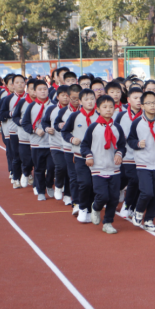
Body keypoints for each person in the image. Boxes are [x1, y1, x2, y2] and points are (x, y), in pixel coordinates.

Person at [126, 91, 155, 231]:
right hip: (143, 163)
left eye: (154, 103)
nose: (152, 106)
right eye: (148, 103)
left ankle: (149, 219)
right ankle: (139, 212)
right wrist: (137, 144)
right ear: (142, 105)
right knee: (147, 192)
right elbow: (130, 139)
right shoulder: (137, 123)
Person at [81, 95, 126, 234]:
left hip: (114, 169)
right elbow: (84, 145)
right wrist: (88, 156)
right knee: (102, 196)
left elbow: (122, 146)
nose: (108, 110)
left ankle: (108, 222)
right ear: (98, 109)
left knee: (113, 198)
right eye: (104, 107)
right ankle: (95, 207)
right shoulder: (93, 127)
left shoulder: (117, 127)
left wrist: (119, 154)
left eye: (111, 107)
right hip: (98, 168)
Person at [62, 89, 98, 223]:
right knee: (84, 183)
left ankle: (92, 208)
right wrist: (72, 139)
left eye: (92, 98)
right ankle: (82, 208)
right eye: (86, 99)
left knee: (95, 185)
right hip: (80, 156)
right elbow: (65, 132)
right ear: (80, 101)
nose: (90, 101)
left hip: (97, 157)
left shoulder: (100, 116)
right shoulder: (74, 116)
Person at [21, 81, 54, 201]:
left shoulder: (54, 106)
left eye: (45, 89)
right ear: (34, 92)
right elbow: (25, 123)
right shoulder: (31, 106)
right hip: (37, 143)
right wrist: (35, 130)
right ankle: (40, 191)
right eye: (40, 89)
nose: (43, 91)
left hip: (52, 143)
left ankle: (49, 184)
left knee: (52, 167)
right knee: (39, 168)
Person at [114, 86, 143, 219]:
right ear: (128, 100)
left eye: (140, 98)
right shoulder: (121, 115)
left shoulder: (146, 115)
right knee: (132, 179)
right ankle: (125, 203)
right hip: (127, 155)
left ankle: (131, 205)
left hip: (142, 155)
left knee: (138, 181)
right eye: (135, 98)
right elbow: (114, 131)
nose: (138, 100)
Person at [54, 84, 82, 211]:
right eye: (74, 98)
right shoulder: (63, 111)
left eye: (78, 98)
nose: (76, 101)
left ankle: (86, 201)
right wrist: (59, 125)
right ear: (69, 97)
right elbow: (56, 124)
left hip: (84, 149)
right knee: (73, 175)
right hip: (69, 148)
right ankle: (75, 202)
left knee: (84, 176)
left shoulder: (87, 110)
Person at [42, 85, 71, 202]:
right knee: (60, 166)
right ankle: (58, 186)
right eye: (63, 95)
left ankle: (68, 195)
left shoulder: (76, 110)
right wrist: (47, 128)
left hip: (70, 145)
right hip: (55, 143)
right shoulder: (51, 109)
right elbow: (44, 122)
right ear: (57, 97)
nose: (65, 98)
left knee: (70, 170)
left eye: (68, 95)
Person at [12, 79, 37, 190]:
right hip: (24, 136)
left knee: (38, 161)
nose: (35, 92)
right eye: (32, 89)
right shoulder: (22, 102)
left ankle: (37, 185)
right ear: (28, 90)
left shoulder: (45, 103)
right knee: (25, 159)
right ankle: (25, 173)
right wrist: (21, 121)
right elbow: (15, 117)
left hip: (39, 136)